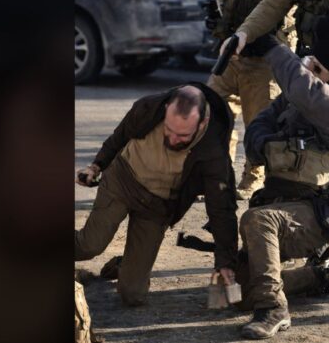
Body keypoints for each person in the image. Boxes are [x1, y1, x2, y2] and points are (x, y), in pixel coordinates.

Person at [234, 16, 329, 339]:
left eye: (318, 56)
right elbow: (260, 124)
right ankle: (316, 277)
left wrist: (275, 49)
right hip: (281, 203)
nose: (311, 59)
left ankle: (273, 310)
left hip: (320, 213)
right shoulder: (307, 92)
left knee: (257, 221)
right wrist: (263, 143)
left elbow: (308, 92)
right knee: (240, 291)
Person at [74, 84, 238, 306]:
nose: (172, 139)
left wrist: (225, 265)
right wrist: (96, 166)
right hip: (122, 181)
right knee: (90, 245)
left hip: (157, 205)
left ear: (202, 123)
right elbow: (120, 136)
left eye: (182, 135)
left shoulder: (214, 152)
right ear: (167, 109)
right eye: (168, 129)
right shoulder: (148, 107)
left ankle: (127, 265)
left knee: (133, 295)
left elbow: (222, 210)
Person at [205, 0, 301, 201]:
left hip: (266, 57)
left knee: (259, 122)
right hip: (233, 51)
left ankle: (254, 178)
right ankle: (219, 176)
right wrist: (219, 19)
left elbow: (293, 3)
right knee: (211, 111)